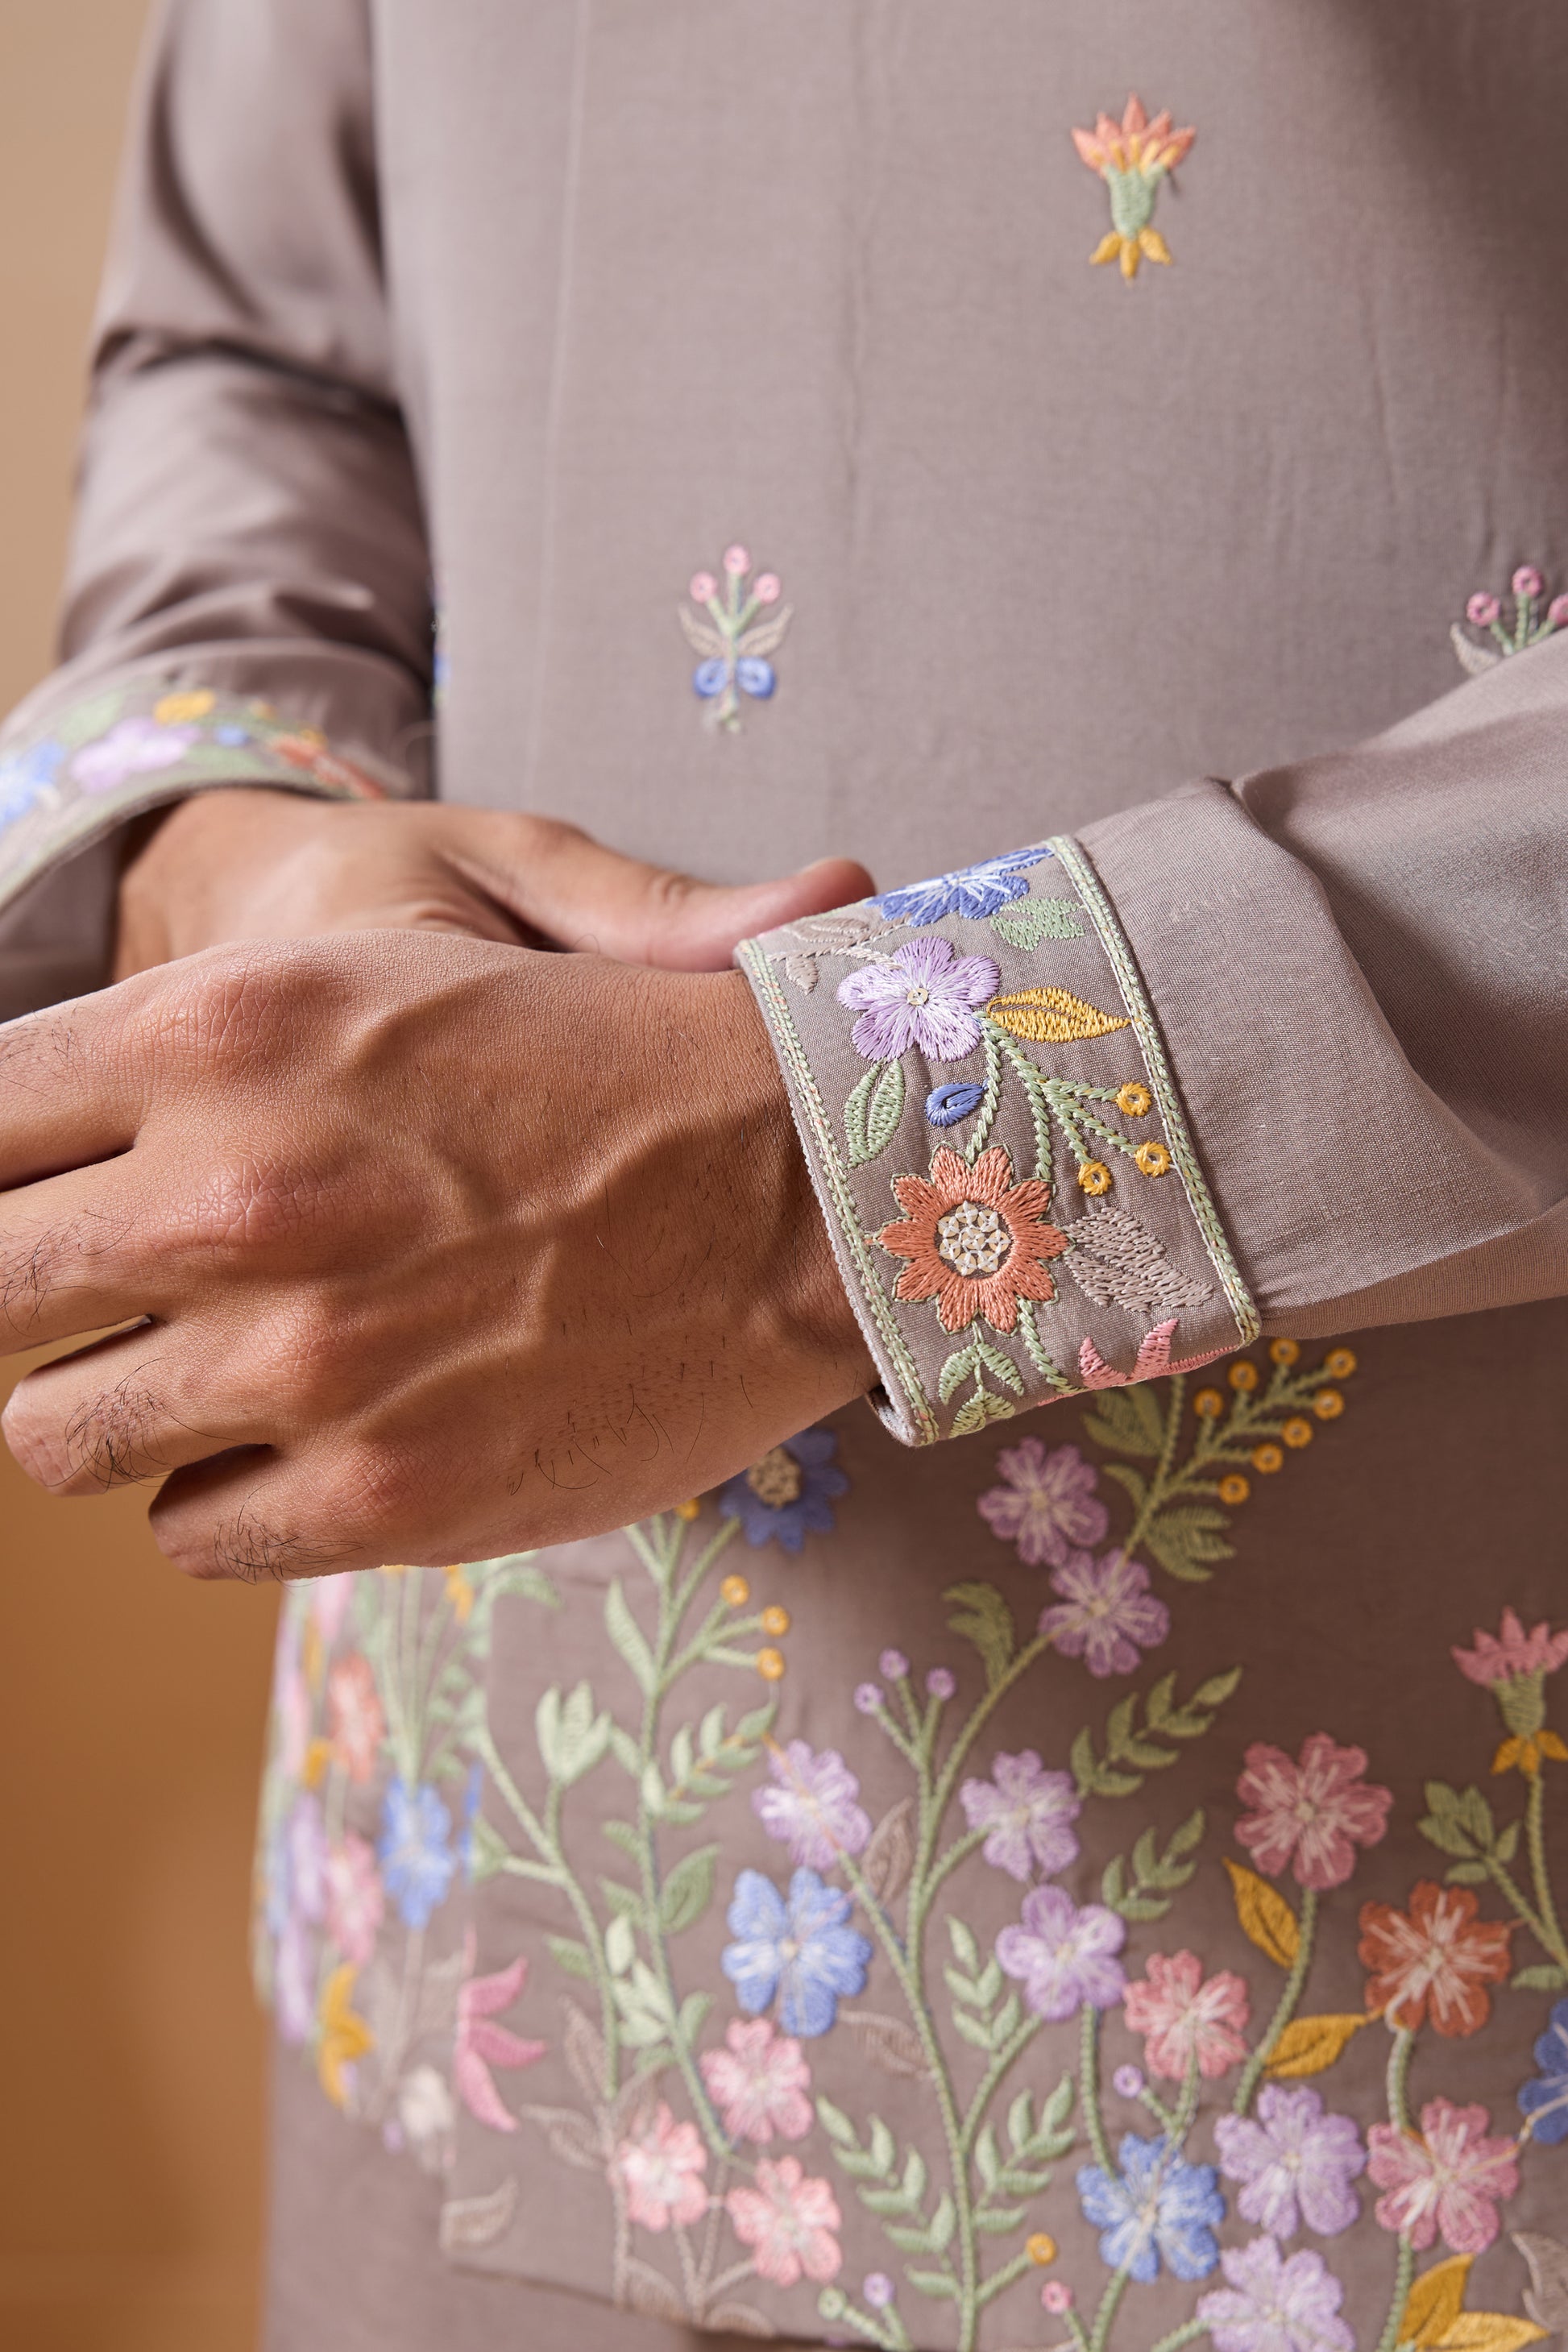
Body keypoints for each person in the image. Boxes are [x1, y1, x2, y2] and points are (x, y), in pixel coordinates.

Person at [2, 4, 1566, 2347]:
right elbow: (267, 347)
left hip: (1437, 2116)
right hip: (509, 1965)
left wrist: (840, 1158)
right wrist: (230, 866)